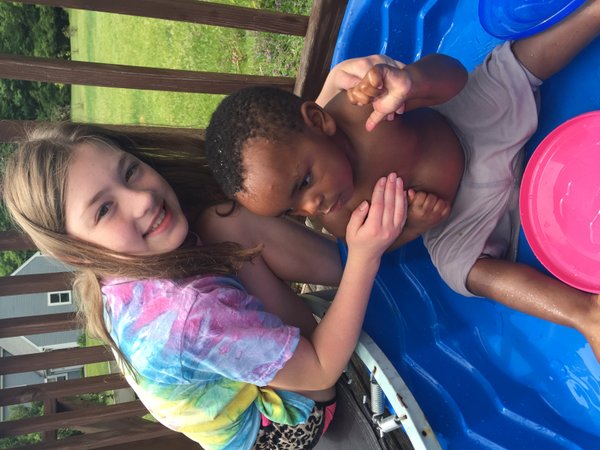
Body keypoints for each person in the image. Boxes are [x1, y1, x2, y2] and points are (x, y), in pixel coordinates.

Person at [204, 0, 600, 361]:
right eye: (291, 210)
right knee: (459, 271)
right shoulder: (339, 216)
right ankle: (584, 313)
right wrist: (415, 225)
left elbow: (453, 76)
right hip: (463, 211)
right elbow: (383, 242)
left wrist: (412, 81)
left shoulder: (365, 108)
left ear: (320, 121)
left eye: (305, 181)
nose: (311, 207)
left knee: (513, 64)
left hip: (470, 127)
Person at [1, 123, 407, 449]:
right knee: (231, 228)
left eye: (129, 171)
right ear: (80, 255)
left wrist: (324, 106)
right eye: (104, 209)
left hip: (237, 388)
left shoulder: (127, 264)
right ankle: (368, 255)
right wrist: (364, 259)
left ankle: (359, 252)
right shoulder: (185, 316)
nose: (141, 200)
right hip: (281, 424)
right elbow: (319, 369)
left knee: (222, 223)